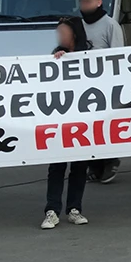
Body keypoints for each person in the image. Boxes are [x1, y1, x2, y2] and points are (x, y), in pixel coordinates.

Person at [41, 17, 92, 229]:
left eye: (64, 32)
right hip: (59, 120)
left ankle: (74, 208)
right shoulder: (55, 56)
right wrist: (57, 61)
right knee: (57, 167)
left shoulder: (90, 55)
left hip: (81, 120)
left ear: (75, 34)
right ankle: (52, 210)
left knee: (80, 166)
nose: (60, 36)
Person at [78, 0, 124, 183]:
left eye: (88, 0)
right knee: (86, 126)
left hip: (103, 85)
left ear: (99, 2)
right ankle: (93, 164)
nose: (84, 4)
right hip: (81, 86)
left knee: (102, 124)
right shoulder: (76, 25)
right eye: (82, 0)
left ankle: (109, 160)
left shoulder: (110, 25)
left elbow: (118, 55)